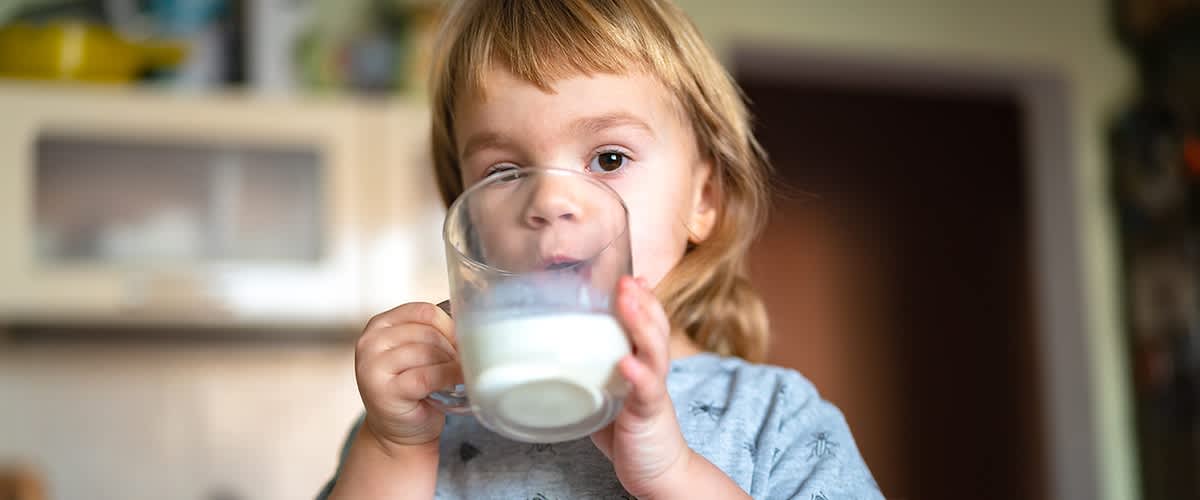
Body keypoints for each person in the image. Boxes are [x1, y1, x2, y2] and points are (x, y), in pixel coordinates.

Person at [320, 0, 882, 498]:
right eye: (506, 171)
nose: (550, 200)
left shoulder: (774, 418)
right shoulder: (411, 419)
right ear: (467, 218)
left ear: (702, 199)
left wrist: (673, 474)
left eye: (609, 158)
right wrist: (395, 451)